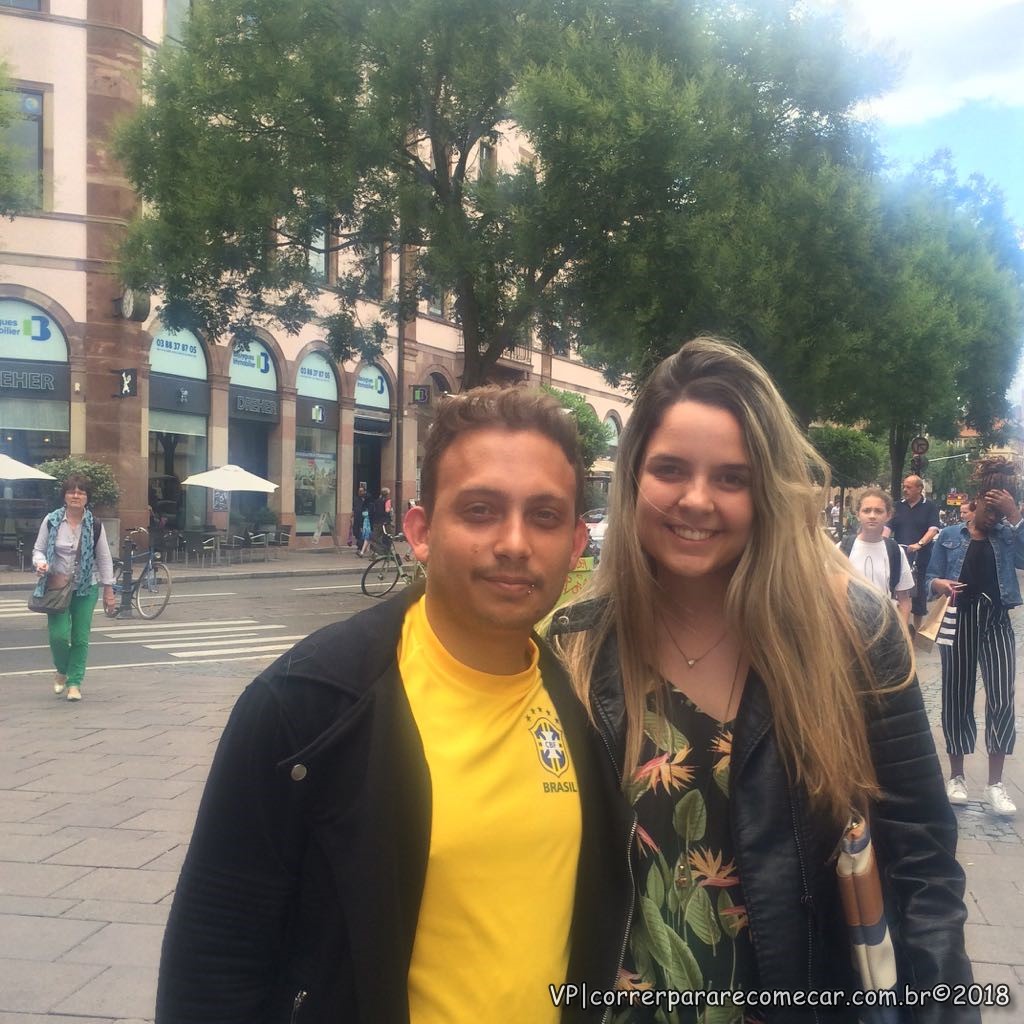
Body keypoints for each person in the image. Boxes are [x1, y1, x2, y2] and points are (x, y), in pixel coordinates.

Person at [156, 385, 634, 1023]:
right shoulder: (307, 708)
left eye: (544, 517)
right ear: (421, 530)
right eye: (481, 510)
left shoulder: (583, 704)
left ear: (576, 544)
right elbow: (213, 960)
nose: (515, 543)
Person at [552, 337, 974, 1020]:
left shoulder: (849, 633)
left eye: (732, 477)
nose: (696, 500)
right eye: (669, 469)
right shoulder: (578, 644)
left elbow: (922, 860)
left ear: (768, 490)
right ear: (633, 478)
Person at [927, 456, 1024, 817]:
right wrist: (938, 583)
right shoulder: (950, 537)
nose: (993, 519)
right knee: (956, 696)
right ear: (975, 501)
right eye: (990, 510)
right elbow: (929, 579)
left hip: (996, 621)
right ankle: (957, 777)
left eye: (1000, 513)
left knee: (1001, 698)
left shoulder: (1007, 534)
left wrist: (1015, 516)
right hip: (959, 619)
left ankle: (996, 784)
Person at [31, 474, 117, 701]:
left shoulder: (95, 525)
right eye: (71, 491)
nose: (76, 495)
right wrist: (40, 563)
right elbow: (38, 549)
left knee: (80, 638)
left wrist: (109, 591)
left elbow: (104, 559)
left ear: (87, 498)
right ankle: (62, 669)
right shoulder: (51, 520)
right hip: (57, 587)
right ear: (65, 496)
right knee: (58, 636)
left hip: (85, 588)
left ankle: (74, 682)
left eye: (81, 492)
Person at [840, 487, 915, 625]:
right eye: (866, 510)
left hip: (884, 630)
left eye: (879, 511)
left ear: (888, 515)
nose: (872, 515)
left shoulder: (895, 551)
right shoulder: (841, 548)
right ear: (858, 514)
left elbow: (904, 599)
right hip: (847, 631)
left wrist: (902, 635)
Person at [889, 473, 941, 630]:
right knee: (897, 588)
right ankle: (899, 626)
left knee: (918, 592)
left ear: (919, 488)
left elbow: (933, 529)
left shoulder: (929, 507)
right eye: (904, 486)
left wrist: (920, 543)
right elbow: (887, 527)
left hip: (920, 556)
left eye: (909, 487)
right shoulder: (898, 506)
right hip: (900, 554)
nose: (905, 490)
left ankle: (917, 629)